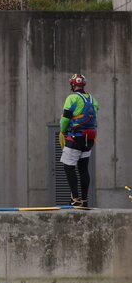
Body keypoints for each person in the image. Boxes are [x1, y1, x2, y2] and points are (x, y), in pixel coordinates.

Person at [59, 73, 99, 208]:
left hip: (75, 138)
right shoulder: (93, 99)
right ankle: (84, 200)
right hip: (89, 139)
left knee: (68, 166)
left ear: (72, 85)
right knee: (83, 169)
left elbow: (65, 118)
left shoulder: (72, 98)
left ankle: (75, 198)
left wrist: (63, 131)